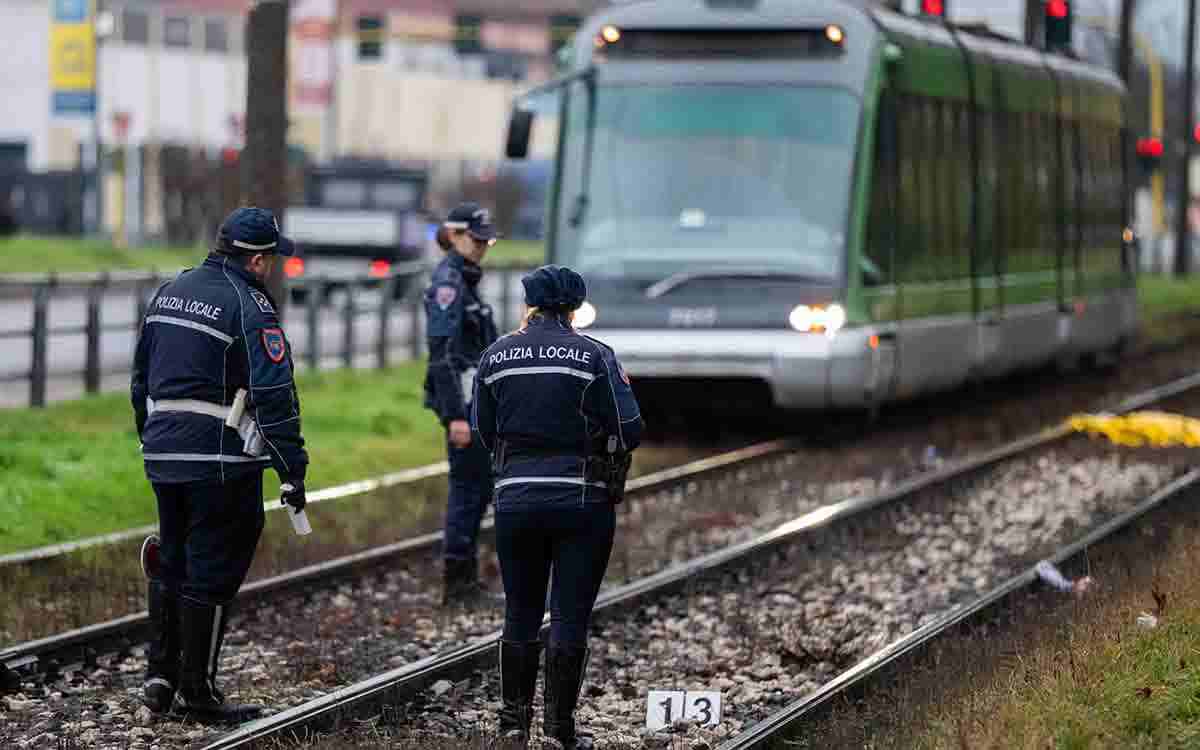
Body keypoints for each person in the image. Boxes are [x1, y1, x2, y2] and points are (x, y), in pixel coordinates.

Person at [131, 207, 309, 722]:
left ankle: (159, 677)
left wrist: (154, 440)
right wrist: (291, 469)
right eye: (271, 258)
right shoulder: (249, 304)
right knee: (212, 566)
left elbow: (140, 378)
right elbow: (274, 392)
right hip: (220, 459)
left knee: (174, 557)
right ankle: (198, 692)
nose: (273, 267)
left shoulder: (170, 290)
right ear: (256, 259)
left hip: (164, 454)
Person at [473, 265, 644, 749]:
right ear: (573, 307)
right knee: (569, 615)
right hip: (582, 499)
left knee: (520, 611)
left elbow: (484, 431)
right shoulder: (593, 356)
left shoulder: (495, 356)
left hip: (516, 499)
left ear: (529, 302)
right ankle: (560, 732)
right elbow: (630, 427)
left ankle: (512, 728)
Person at [423, 201, 502, 606]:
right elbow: (443, 354)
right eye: (477, 239)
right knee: (469, 490)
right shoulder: (450, 284)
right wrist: (455, 415)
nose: (483, 247)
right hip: (464, 404)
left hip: (475, 401)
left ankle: (465, 579)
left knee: (477, 487)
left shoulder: (466, 279)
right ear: (454, 236)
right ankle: (458, 584)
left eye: (487, 241)